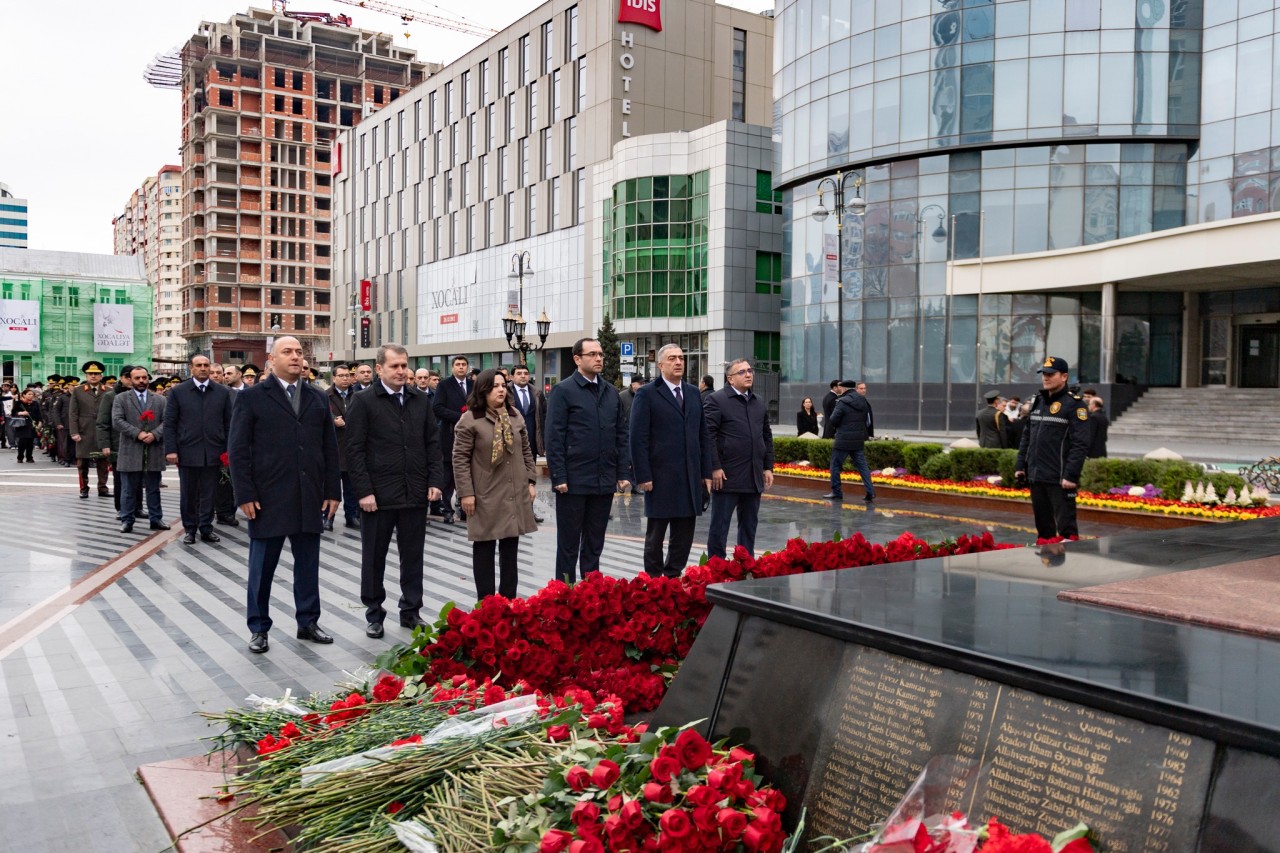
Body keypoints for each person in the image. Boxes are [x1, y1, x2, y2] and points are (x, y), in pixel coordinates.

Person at [229, 336, 341, 654]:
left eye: (298, 352)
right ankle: (259, 627)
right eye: (287, 352)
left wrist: (333, 490)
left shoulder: (318, 398)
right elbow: (237, 450)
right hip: (267, 497)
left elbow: (329, 449)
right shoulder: (252, 398)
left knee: (307, 564)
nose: (295, 357)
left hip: (309, 495)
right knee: (262, 566)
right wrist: (244, 494)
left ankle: (308, 621)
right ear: (271, 359)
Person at [346, 343, 444, 637]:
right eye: (395, 366)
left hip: (414, 491)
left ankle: (411, 610)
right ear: (379, 369)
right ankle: (374, 613)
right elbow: (354, 450)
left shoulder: (419, 399)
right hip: (377, 495)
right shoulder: (363, 401)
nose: (402, 371)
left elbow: (432, 444)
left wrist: (435, 481)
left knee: (413, 555)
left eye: (404, 366)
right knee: (374, 556)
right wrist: (363, 491)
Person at [545, 338, 630, 583]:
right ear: (577, 359)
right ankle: (564, 592)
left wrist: (622, 472)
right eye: (592, 354)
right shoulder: (564, 390)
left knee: (595, 542)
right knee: (569, 544)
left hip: (603, 480)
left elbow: (621, 435)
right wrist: (558, 476)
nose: (599, 358)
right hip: (573, 480)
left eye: (601, 354)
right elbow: (554, 436)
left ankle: (591, 592)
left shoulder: (610, 391)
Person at [453, 368, 538, 600]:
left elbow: (526, 450)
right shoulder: (471, 419)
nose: (500, 390)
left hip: (514, 490)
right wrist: (466, 493)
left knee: (510, 550)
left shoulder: (514, 415)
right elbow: (459, 458)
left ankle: (509, 600)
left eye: (503, 385)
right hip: (485, 493)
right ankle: (487, 604)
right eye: (494, 386)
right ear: (483, 390)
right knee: (484, 548)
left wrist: (530, 480)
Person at [630, 344, 713, 577]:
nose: (678, 362)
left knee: (685, 531)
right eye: (672, 358)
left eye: (681, 358)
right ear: (660, 364)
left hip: (689, 476)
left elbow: (703, 435)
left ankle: (673, 573)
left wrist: (706, 472)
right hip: (660, 477)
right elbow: (638, 438)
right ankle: (655, 580)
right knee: (656, 534)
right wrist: (643, 475)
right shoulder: (647, 393)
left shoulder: (693, 392)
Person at [1015, 356, 1093, 542]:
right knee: (1043, 528)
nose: (1046, 378)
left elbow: (1080, 443)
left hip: (1060, 478)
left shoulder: (1075, 405)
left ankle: (1069, 567)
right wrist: (1020, 465)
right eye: (1044, 374)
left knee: (1067, 530)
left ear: (1064, 376)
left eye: (1051, 374)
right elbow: (1027, 436)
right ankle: (1046, 565)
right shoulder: (1038, 401)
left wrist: (1071, 475)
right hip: (1036, 475)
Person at [704, 359, 774, 559]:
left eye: (750, 370)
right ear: (730, 379)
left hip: (753, 477)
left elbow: (766, 435)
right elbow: (708, 436)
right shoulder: (717, 400)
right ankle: (715, 567)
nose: (748, 374)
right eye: (742, 372)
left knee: (749, 526)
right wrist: (714, 467)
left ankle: (746, 565)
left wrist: (768, 466)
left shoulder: (758, 401)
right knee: (720, 527)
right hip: (727, 476)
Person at [163, 354, 234, 545]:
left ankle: (206, 528)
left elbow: (229, 423)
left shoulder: (221, 392)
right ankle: (190, 529)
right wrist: (171, 449)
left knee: (209, 493)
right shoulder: (179, 391)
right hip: (187, 451)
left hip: (213, 451)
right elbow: (170, 423)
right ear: (191, 368)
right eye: (199, 365)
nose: (203, 368)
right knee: (188, 494)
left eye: (206, 365)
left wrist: (227, 449)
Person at [111, 367, 170, 534]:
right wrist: (138, 433)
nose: (142, 381)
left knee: (153, 487)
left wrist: (154, 434)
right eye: (137, 378)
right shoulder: (121, 399)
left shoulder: (160, 400)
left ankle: (156, 518)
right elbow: (117, 421)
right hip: (131, 449)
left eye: (144, 377)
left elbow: (168, 421)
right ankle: (127, 519)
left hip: (154, 449)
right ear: (130, 380)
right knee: (128, 489)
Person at [433, 355, 472, 524]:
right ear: (452, 367)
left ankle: (464, 509)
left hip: (471, 435)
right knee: (447, 476)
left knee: (466, 475)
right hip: (449, 435)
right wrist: (461, 416)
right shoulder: (444, 385)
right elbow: (438, 408)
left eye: (464, 364)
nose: (461, 367)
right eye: (458, 364)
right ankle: (447, 509)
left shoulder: (473, 384)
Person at [824, 379, 876, 502]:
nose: (840, 389)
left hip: (843, 440)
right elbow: (867, 420)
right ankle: (870, 491)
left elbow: (833, 419)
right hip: (858, 439)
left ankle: (836, 492)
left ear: (845, 388)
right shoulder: (863, 400)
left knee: (835, 465)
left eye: (841, 388)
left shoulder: (842, 401)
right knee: (863, 466)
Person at [326, 363, 362, 530]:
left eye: (348, 375)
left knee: (351, 487)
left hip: (352, 447)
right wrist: (333, 420)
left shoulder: (358, 395)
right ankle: (328, 517)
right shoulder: (325, 395)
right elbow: (322, 415)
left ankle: (351, 515)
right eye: (341, 375)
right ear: (334, 378)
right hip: (333, 447)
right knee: (330, 486)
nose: (346, 378)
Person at [69, 361, 111, 498]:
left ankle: (103, 488)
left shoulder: (109, 390)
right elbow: (73, 413)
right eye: (90, 374)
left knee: (103, 462)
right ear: (86, 375)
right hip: (84, 431)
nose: (93, 376)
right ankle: (84, 488)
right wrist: (74, 432)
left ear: (101, 376)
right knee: (82, 463)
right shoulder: (78, 390)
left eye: (96, 374)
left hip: (102, 431)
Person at [11, 388, 41, 463]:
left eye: (32, 394)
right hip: (22, 425)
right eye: (29, 394)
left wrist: (40, 422)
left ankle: (29, 457)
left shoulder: (35, 403)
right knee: (22, 442)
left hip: (32, 425)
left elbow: (39, 413)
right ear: (24, 395)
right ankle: (20, 457)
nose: (31, 396)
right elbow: (13, 413)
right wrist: (21, 413)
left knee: (30, 442)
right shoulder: (19, 403)